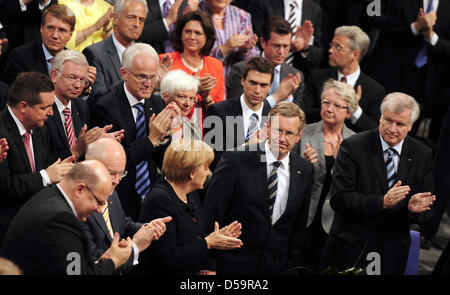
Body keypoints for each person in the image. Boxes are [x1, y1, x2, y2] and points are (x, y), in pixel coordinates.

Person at [320, 92, 436, 275]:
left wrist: (413, 210)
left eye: (400, 124)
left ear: (411, 126)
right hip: (352, 247)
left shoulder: (423, 154)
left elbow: (428, 209)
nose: (392, 128)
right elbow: (339, 199)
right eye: (388, 120)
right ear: (380, 116)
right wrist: (381, 202)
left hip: (392, 252)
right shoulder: (354, 146)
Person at [203, 102, 314, 275]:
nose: (282, 138)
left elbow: (297, 229)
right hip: (232, 266)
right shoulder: (236, 160)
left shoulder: (305, 169)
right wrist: (208, 264)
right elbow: (213, 213)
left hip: (276, 268)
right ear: (268, 128)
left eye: (289, 133)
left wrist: (292, 268)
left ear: (298, 136)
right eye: (278, 130)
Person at [89, 42, 180, 220]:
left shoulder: (157, 104)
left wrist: (171, 135)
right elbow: (116, 161)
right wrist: (152, 140)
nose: (148, 84)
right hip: (119, 197)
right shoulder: (105, 107)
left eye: (153, 77)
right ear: (124, 74)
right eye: (141, 77)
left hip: (152, 196)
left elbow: (161, 159)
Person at [2, 160, 134, 275]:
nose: (99, 210)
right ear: (80, 189)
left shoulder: (49, 197)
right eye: (99, 202)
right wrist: (113, 261)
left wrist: (105, 259)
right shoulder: (60, 220)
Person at [137, 138, 243, 274]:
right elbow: (166, 259)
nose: (207, 172)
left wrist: (216, 239)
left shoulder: (190, 194)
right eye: (205, 167)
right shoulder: (160, 200)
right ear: (192, 172)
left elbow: (191, 240)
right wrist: (208, 242)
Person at [0, 72, 75, 245]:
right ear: (24, 107)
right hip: (8, 231)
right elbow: (4, 188)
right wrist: (46, 177)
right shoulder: (2, 134)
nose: (50, 113)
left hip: (39, 224)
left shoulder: (40, 129)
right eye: (44, 108)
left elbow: (45, 167)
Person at [292, 79, 356, 271]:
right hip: (302, 216)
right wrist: (302, 165)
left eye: (337, 105)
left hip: (333, 222)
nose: (329, 108)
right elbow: (287, 174)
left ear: (349, 112)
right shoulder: (303, 132)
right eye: (326, 102)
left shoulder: (355, 143)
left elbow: (354, 187)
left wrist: (340, 165)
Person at [83, 138, 172, 274]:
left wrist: (147, 228)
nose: (118, 180)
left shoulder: (111, 191)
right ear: (91, 167)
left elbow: (123, 224)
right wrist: (135, 246)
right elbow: (94, 262)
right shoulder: (80, 207)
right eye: (112, 173)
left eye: (121, 173)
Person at [372, 0, 450, 142]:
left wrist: (432, 38)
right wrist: (416, 27)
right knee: (378, 125)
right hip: (394, 73)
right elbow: (387, 31)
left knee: (408, 134)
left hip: (428, 82)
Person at [303, 25, 385, 132]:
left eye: (338, 47)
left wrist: (354, 110)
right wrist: (334, 109)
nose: (330, 50)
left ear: (355, 55)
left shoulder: (375, 90)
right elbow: (304, 113)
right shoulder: (317, 78)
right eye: (332, 45)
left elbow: (374, 131)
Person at [46, 49, 124, 161]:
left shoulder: (82, 106)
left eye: (82, 80)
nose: (78, 85)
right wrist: (77, 150)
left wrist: (96, 142)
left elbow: (85, 147)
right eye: (72, 78)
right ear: (54, 76)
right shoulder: (42, 109)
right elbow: (42, 161)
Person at [203, 56, 273, 169]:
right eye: (253, 83)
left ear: (270, 87)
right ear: (242, 81)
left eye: (263, 85)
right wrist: (246, 147)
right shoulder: (218, 112)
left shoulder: (273, 116)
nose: (257, 90)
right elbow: (213, 159)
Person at [226, 16, 303, 108]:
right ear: (263, 42)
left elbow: (297, 116)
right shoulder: (240, 70)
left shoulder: (295, 76)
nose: (281, 52)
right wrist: (276, 97)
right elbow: (236, 110)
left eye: (286, 46)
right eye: (276, 46)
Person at [160, 10, 225, 114]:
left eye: (198, 33)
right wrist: (194, 90)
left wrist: (206, 97)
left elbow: (220, 112)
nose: (192, 37)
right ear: (180, 34)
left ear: (207, 37)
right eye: (188, 31)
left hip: (206, 127)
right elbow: (157, 103)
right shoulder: (165, 61)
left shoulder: (216, 65)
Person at [82, 0, 148, 102]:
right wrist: (130, 81)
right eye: (131, 17)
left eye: (141, 20)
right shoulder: (95, 54)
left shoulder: (146, 54)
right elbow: (98, 99)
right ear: (115, 18)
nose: (137, 24)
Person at [3, 4, 76, 85]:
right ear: (41, 28)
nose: (55, 35)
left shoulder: (75, 62)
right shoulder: (20, 57)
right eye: (50, 28)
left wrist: (86, 90)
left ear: (70, 35)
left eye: (62, 30)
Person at [250, 0, 323, 77]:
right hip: (262, 72)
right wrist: (288, 46)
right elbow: (257, 39)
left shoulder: (314, 9)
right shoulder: (263, 3)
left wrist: (305, 48)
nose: (281, 51)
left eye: (285, 46)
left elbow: (318, 53)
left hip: (297, 77)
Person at [200, 0, 259, 79]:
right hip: (205, 81)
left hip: (234, 83)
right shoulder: (195, 14)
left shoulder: (242, 16)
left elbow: (252, 60)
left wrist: (245, 49)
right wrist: (224, 49)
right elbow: (193, 56)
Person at [160, 69, 202, 140]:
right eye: (181, 97)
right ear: (166, 96)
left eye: (191, 98)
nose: (188, 104)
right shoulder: (154, 124)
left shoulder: (193, 129)